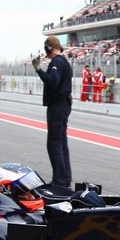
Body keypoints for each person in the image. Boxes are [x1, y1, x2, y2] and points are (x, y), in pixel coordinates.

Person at [32, 36, 73, 188]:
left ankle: (59, 181)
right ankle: (65, 178)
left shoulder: (56, 62)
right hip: (64, 105)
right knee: (62, 143)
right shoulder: (65, 63)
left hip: (57, 106)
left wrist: (38, 69)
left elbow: (52, 81)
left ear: (48, 48)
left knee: (54, 144)